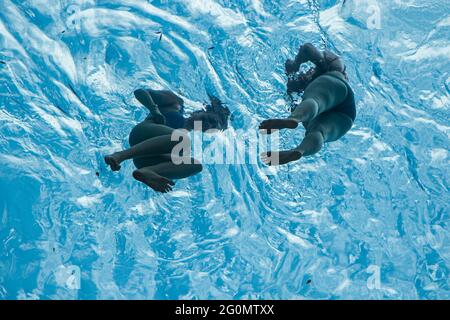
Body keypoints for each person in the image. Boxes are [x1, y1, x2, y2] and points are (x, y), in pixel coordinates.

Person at [105, 88, 230, 193]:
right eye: (212, 120)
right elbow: (140, 92)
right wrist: (154, 110)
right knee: (183, 142)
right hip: (141, 133)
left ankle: (149, 172)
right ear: (206, 110)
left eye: (211, 128)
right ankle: (120, 156)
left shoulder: (183, 135)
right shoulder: (175, 104)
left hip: (143, 159)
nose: (208, 125)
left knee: (196, 166)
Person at [259, 43, 356, 165]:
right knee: (318, 132)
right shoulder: (309, 81)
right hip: (347, 116)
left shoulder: (332, 67)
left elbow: (307, 48)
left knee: (315, 101)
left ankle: (294, 118)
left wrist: (294, 66)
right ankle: (300, 150)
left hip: (335, 84)